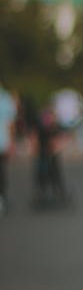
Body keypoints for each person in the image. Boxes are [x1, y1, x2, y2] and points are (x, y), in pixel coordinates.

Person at [0, 81, 17, 214]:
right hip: (3, 140)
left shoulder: (6, 99)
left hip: (3, 140)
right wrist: (11, 142)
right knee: (2, 171)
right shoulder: (6, 99)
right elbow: (11, 124)